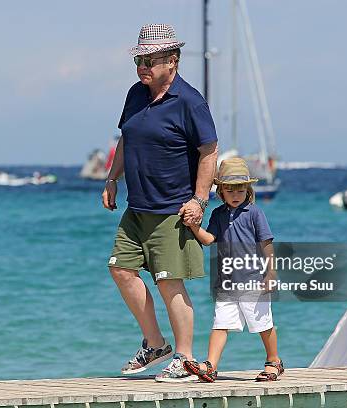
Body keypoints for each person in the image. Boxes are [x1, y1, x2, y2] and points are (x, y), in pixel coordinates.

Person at [102, 24, 218, 382]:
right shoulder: (136, 94)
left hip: (173, 209)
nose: (143, 65)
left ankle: (184, 358)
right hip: (136, 207)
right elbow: (126, 138)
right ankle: (155, 344)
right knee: (121, 269)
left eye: (150, 59)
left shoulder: (190, 101)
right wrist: (112, 177)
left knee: (170, 283)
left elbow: (209, 152)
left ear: (173, 61)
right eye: (140, 58)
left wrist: (199, 200)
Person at [183, 158, 283, 382]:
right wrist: (194, 227)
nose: (236, 194)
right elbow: (209, 239)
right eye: (230, 189)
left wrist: (271, 273)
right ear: (221, 192)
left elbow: (266, 243)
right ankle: (210, 365)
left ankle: (274, 361)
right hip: (226, 282)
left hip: (254, 281)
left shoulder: (255, 213)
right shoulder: (218, 214)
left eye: (240, 189)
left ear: (248, 190)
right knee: (220, 324)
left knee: (263, 324)